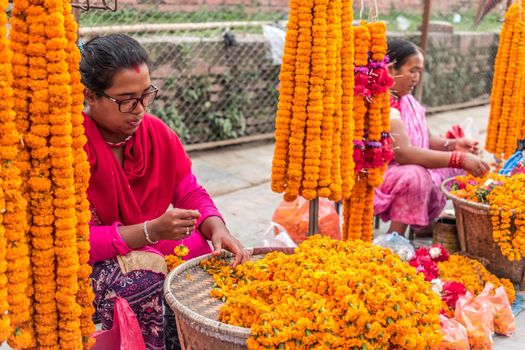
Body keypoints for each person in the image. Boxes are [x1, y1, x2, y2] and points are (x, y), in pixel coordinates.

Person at [80, 34, 250, 349]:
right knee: (141, 283)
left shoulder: (156, 134)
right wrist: (149, 231)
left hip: (150, 240)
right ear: (90, 96)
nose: (140, 109)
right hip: (90, 261)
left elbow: (188, 190)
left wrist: (217, 227)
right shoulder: (71, 147)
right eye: (126, 99)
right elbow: (76, 241)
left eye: (146, 95)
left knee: (208, 256)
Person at [374, 39, 490, 236]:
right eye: (413, 71)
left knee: (452, 168)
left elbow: (426, 138)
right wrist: (460, 159)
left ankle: (424, 224)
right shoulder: (381, 103)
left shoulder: (408, 101)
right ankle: (395, 238)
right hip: (381, 173)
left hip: (408, 165)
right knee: (415, 175)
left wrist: (454, 145)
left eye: (420, 72)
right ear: (392, 69)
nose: (417, 78)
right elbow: (404, 154)